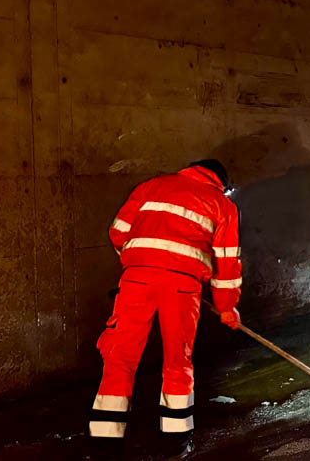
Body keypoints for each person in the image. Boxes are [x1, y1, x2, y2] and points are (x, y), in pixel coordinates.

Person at [89, 159, 242, 454]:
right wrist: (226, 307)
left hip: (136, 280)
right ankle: (175, 439)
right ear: (220, 183)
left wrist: (140, 261)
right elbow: (226, 263)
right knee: (177, 359)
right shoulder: (222, 205)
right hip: (182, 287)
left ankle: (105, 439)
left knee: (120, 355)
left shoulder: (151, 186)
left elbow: (118, 232)